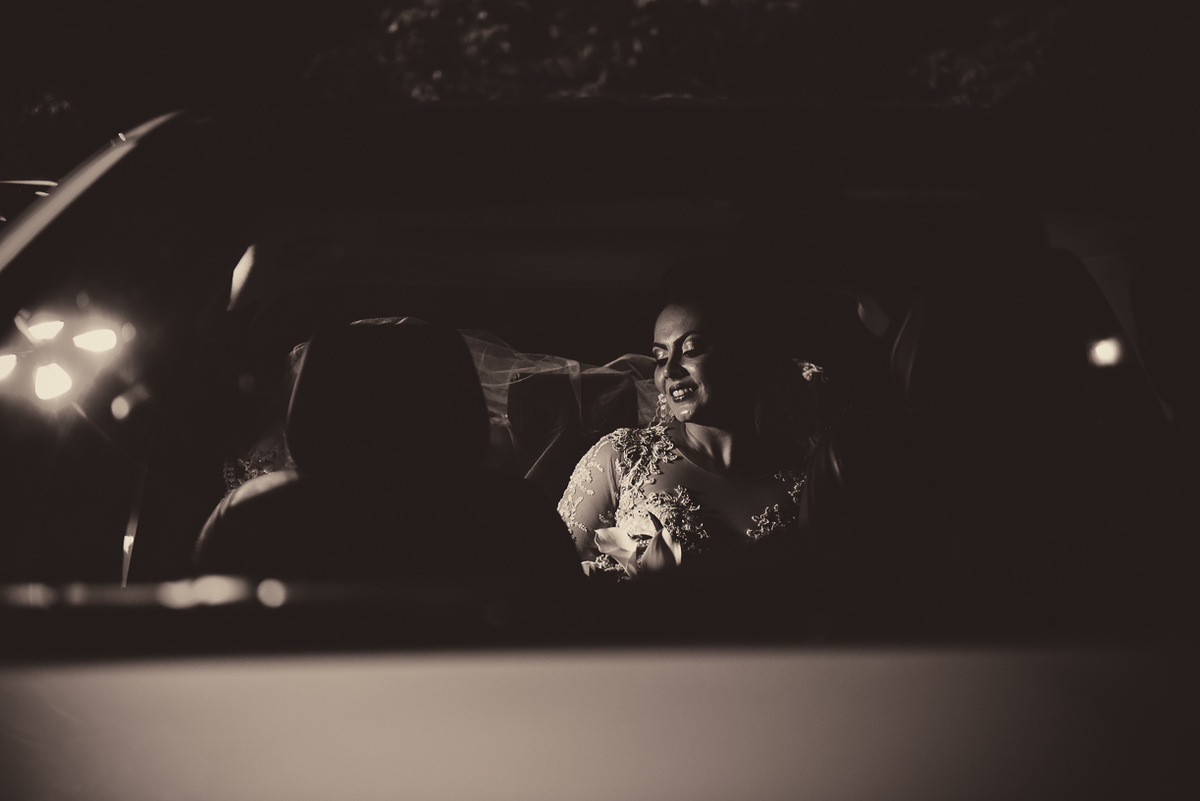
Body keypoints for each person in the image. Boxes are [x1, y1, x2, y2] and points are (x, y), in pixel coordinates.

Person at [557, 262, 821, 579]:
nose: (669, 370)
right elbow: (552, 582)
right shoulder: (622, 458)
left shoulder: (809, 475)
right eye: (660, 357)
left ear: (744, 354)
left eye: (691, 349)